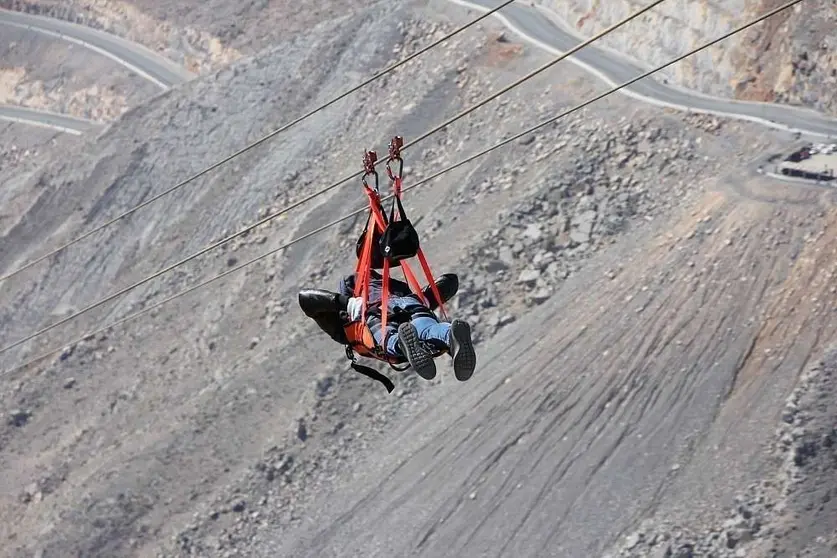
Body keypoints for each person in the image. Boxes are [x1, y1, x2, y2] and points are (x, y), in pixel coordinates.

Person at [298, 271, 476, 382]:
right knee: (426, 326)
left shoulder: (345, 325)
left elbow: (305, 299)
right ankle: (448, 335)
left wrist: (346, 304)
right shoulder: (400, 292)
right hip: (408, 306)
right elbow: (450, 282)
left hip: (375, 321)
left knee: (386, 336)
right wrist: (427, 298)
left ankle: (404, 345)